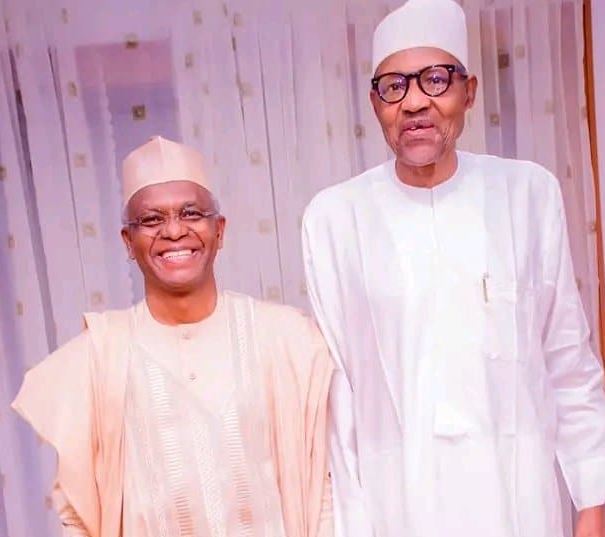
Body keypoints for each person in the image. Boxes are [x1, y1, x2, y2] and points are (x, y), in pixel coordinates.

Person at [302, 1, 605, 536]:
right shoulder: (334, 217)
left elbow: (568, 363)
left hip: (516, 497)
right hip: (398, 504)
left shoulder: (527, 194)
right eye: (394, 86)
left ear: (470, 92)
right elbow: (338, 396)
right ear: (375, 103)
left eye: (436, 80)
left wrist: (594, 504)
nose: (415, 101)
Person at [13, 136, 334, 537]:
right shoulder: (96, 358)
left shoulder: (286, 338)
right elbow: (76, 516)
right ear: (128, 242)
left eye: (191, 213)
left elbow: (323, 490)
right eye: (151, 220)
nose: (174, 231)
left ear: (219, 230)